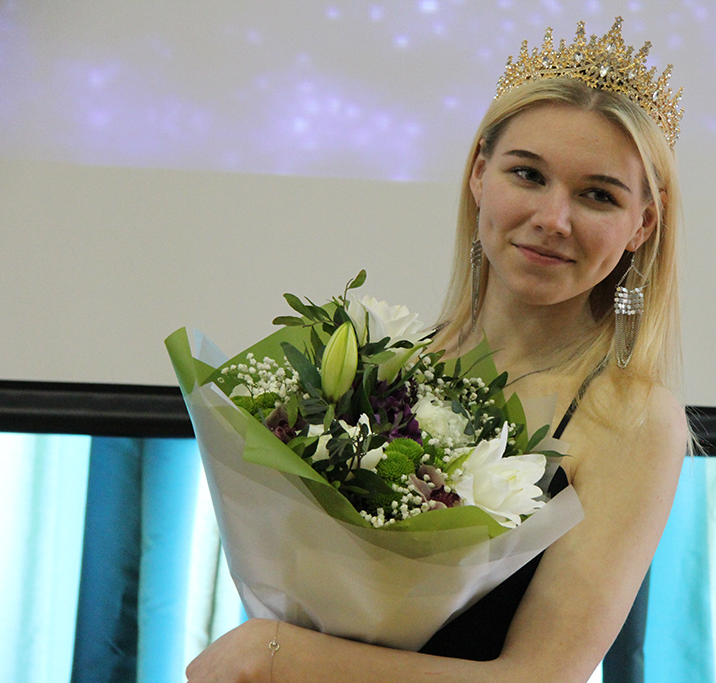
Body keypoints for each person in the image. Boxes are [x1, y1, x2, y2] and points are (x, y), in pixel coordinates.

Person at [186, 17, 689, 683]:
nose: (552, 219)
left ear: (642, 224)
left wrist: (278, 653)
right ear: (480, 175)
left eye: (597, 195)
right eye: (527, 174)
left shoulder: (633, 418)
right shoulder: (384, 366)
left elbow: (539, 677)